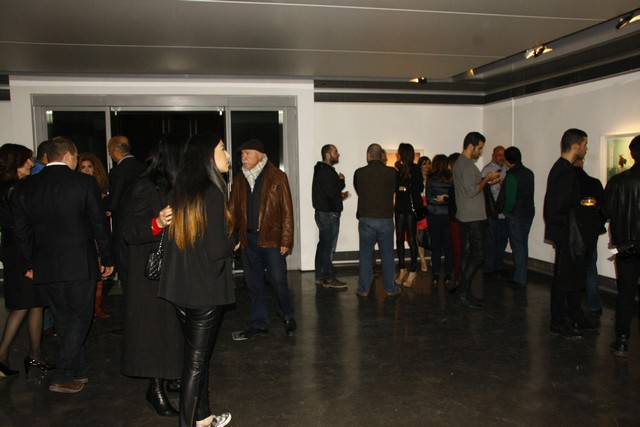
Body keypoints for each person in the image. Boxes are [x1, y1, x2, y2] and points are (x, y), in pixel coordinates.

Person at [11, 136, 114, 393]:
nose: (77, 161)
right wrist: (107, 257)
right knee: (80, 316)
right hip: (80, 262)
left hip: (46, 264)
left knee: (63, 317)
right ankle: (64, 373)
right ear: (68, 155)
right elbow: (98, 224)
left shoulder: (26, 187)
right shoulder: (84, 183)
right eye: (77, 157)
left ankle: (78, 369)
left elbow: (21, 231)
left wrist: (28, 263)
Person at [158, 133, 235, 427]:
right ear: (207, 156)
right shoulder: (212, 194)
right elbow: (215, 250)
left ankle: (203, 418)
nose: (227, 155)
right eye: (223, 149)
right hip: (204, 291)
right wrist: (234, 242)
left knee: (195, 360)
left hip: (180, 289)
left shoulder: (181, 193)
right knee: (195, 364)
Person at [120, 135, 185, 417]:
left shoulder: (174, 186)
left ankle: (171, 376)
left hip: (171, 272)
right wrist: (156, 223)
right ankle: (154, 388)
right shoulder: (144, 187)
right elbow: (129, 232)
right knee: (155, 333)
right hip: (149, 275)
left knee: (171, 329)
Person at [230, 138, 296, 340]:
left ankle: (287, 316)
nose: (243, 158)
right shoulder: (239, 179)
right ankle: (259, 324)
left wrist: (286, 240)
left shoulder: (277, 176)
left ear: (259, 155)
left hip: (272, 239)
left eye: (247, 153)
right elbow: (232, 210)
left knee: (278, 280)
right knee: (253, 283)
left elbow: (287, 210)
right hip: (248, 240)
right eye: (242, 154)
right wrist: (232, 236)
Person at [0, 144, 53, 378]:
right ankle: (9, 355)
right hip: (23, 249)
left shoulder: (7, 187)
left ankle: (34, 354)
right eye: (27, 160)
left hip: (13, 248)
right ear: (15, 163)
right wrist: (29, 261)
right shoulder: (17, 188)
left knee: (32, 303)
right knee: (27, 304)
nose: (32, 164)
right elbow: (25, 224)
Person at [543, 128, 597, 340]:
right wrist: (582, 205)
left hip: (566, 232)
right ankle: (558, 323)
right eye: (584, 144)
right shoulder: (564, 171)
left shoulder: (562, 169)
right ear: (575, 146)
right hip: (567, 233)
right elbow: (560, 206)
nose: (586, 149)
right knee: (563, 280)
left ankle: (577, 317)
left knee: (571, 278)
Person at [451, 132, 500, 308]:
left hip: (467, 215)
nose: (481, 152)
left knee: (467, 253)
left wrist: (486, 181)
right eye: (479, 148)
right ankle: (463, 291)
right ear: (471, 146)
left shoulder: (462, 163)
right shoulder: (465, 165)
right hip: (472, 217)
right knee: (478, 255)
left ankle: (463, 291)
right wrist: (486, 179)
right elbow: (471, 191)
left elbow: (470, 188)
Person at [601, 135, 640, 357]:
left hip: (626, 247)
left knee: (625, 294)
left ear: (632, 154)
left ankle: (622, 340)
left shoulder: (618, 182)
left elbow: (606, 211)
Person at [353, 143, 399, 297]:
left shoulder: (359, 173)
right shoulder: (392, 172)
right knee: (387, 255)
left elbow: (359, 190)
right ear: (381, 156)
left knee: (365, 255)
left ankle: (364, 289)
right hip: (385, 218)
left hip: (366, 219)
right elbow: (395, 189)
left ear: (368, 156)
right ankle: (390, 288)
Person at [105, 135, 145, 294]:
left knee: (126, 270)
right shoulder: (144, 167)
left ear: (115, 152)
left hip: (124, 227)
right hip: (143, 225)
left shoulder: (118, 171)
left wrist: (104, 202)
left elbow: (113, 203)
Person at [77, 153, 110, 318]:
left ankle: (96, 306)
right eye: (83, 167)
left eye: (89, 167)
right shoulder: (77, 186)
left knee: (99, 270)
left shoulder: (100, 187)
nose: (87, 170)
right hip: (83, 234)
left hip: (97, 233)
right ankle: (88, 308)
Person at [312, 144, 349, 289]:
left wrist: (339, 196)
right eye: (335, 152)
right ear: (328, 154)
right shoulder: (326, 171)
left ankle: (320, 276)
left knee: (323, 245)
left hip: (324, 213)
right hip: (329, 215)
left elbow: (328, 193)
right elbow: (331, 191)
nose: (338, 154)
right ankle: (328, 278)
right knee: (328, 247)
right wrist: (341, 181)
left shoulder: (321, 170)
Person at [573, 157, 605, 314]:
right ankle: (594, 304)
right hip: (591, 231)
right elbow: (604, 208)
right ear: (581, 162)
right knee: (591, 267)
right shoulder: (594, 183)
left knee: (571, 268)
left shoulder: (568, 183)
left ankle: (572, 305)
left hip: (573, 231)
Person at [502, 147, 535, 288]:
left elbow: (510, 200)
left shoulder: (511, 176)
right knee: (523, 245)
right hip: (528, 212)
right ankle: (520, 275)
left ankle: (520, 278)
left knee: (518, 247)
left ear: (508, 161)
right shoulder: (529, 173)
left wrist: (505, 212)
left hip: (516, 214)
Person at [394, 143, 424, 288]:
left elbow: (419, 187)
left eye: (399, 152)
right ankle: (402, 269)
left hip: (411, 207)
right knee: (399, 238)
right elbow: (394, 187)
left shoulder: (415, 168)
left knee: (411, 239)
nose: (397, 154)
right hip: (399, 206)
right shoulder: (398, 168)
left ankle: (413, 270)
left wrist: (404, 188)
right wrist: (400, 188)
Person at [426, 154, 454, 285]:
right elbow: (454, 198)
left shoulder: (431, 179)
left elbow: (428, 198)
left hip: (434, 215)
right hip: (448, 216)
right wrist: (446, 199)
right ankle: (448, 273)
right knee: (449, 246)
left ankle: (435, 275)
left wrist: (437, 200)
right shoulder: (451, 178)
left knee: (435, 247)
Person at [481, 146, 508, 277]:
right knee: (491, 241)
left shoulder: (508, 169)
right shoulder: (487, 170)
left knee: (502, 240)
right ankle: (489, 268)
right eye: (499, 155)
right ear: (493, 155)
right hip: (492, 212)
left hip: (505, 213)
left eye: (503, 155)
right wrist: (492, 183)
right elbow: (481, 189)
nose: (501, 158)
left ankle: (499, 266)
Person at [417, 156, 431, 273]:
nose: (427, 166)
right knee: (420, 234)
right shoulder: (416, 178)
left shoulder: (432, 178)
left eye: (428, 163)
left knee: (432, 233)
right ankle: (422, 260)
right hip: (420, 208)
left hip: (431, 207)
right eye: (424, 164)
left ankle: (432, 257)